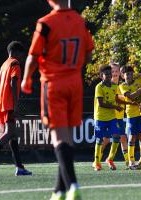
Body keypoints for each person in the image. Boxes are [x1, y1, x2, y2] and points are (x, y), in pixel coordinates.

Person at [21, 0, 94, 199]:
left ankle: (72, 185)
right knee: (68, 136)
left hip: (54, 84)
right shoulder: (80, 21)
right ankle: (59, 190)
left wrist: (26, 79)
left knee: (58, 137)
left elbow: (33, 56)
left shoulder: (45, 23)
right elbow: (89, 55)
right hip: (75, 83)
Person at [0, 41, 32, 177]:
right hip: (8, 103)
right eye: (21, 53)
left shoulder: (4, 65)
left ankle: (19, 167)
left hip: (1, 102)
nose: (22, 57)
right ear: (15, 52)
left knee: (13, 135)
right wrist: (16, 103)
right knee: (10, 132)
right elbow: (13, 81)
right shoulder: (15, 63)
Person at [93, 65, 123, 171]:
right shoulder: (99, 87)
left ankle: (110, 159)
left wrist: (128, 102)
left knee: (116, 137)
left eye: (110, 74)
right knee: (99, 140)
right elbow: (101, 104)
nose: (109, 75)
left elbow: (116, 99)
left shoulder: (115, 86)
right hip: (100, 117)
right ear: (102, 76)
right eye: (106, 74)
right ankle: (97, 163)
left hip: (111, 117)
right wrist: (116, 107)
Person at [119, 66, 141, 169]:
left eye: (131, 74)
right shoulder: (122, 85)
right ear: (123, 76)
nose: (129, 76)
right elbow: (130, 96)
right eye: (127, 74)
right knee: (132, 137)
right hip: (131, 114)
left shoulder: (137, 80)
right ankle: (131, 160)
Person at [110, 63, 129, 167]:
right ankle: (99, 160)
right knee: (106, 140)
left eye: (116, 71)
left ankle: (127, 161)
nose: (114, 73)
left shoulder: (122, 86)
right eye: (112, 71)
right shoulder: (108, 86)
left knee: (123, 138)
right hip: (111, 117)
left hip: (120, 117)